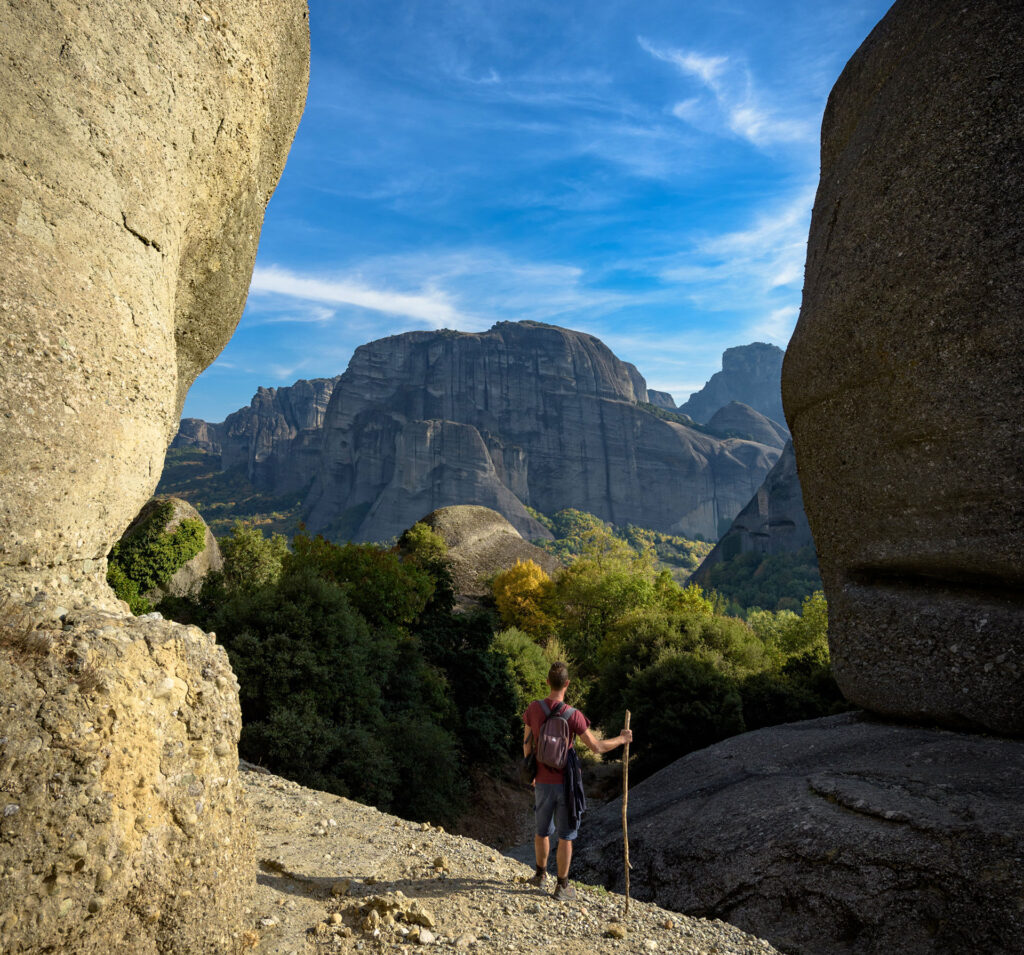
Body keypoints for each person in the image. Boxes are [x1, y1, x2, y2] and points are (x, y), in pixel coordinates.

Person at [522, 661, 633, 901]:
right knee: (566, 836)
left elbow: (527, 744)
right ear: (567, 684)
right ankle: (562, 887)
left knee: (541, 832)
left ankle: (540, 876)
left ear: (547, 682)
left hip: (541, 781)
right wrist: (622, 740)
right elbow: (596, 747)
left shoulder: (534, 708)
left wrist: (532, 774)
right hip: (567, 784)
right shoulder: (573, 715)